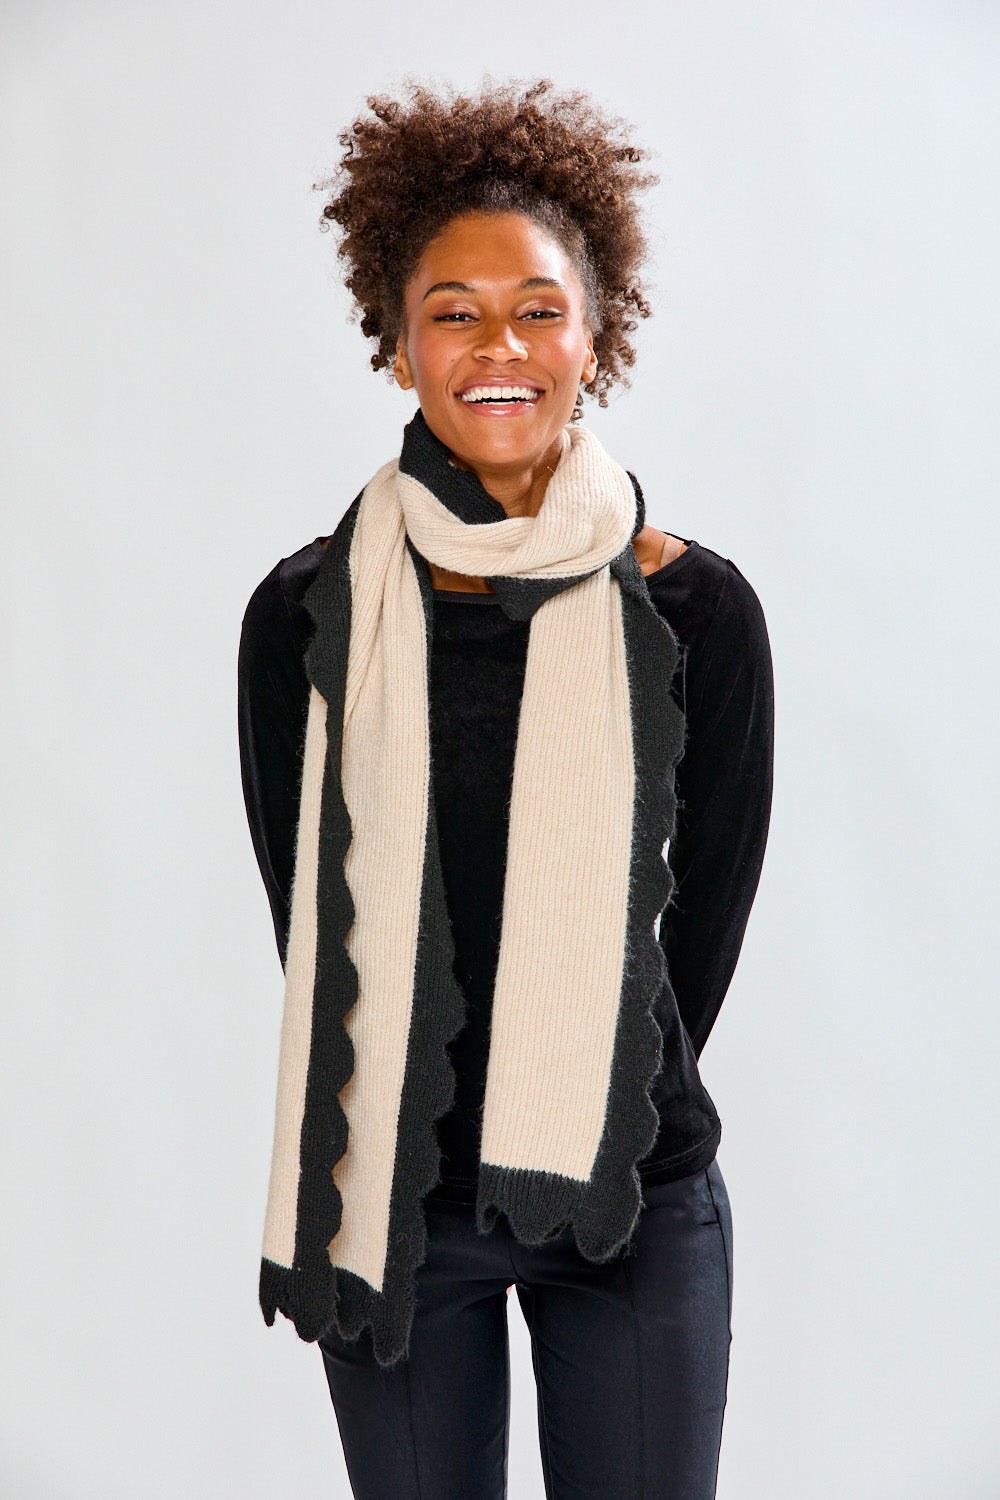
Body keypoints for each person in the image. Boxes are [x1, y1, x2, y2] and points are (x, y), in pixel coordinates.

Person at [238, 77, 774, 1500]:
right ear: (397, 342)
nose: (499, 346)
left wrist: (583, 1088)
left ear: (595, 336)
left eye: (538, 307)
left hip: (633, 1201)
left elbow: (699, 922)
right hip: (391, 1203)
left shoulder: (697, 612)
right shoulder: (306, 613)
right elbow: (309, 913)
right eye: (454, 309)